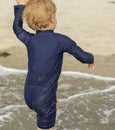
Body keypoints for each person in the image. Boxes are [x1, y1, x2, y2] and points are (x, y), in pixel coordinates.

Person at [13, 0, 96, 129]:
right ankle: (50, 104)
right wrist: (91, 59)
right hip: (44, 98)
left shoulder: (30, 40)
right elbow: (83, 56)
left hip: (29, 95)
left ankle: (53, 103)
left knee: (49, 95)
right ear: (52, 18)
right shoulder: (61, 40)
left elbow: (17, 28)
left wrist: (21, 6)